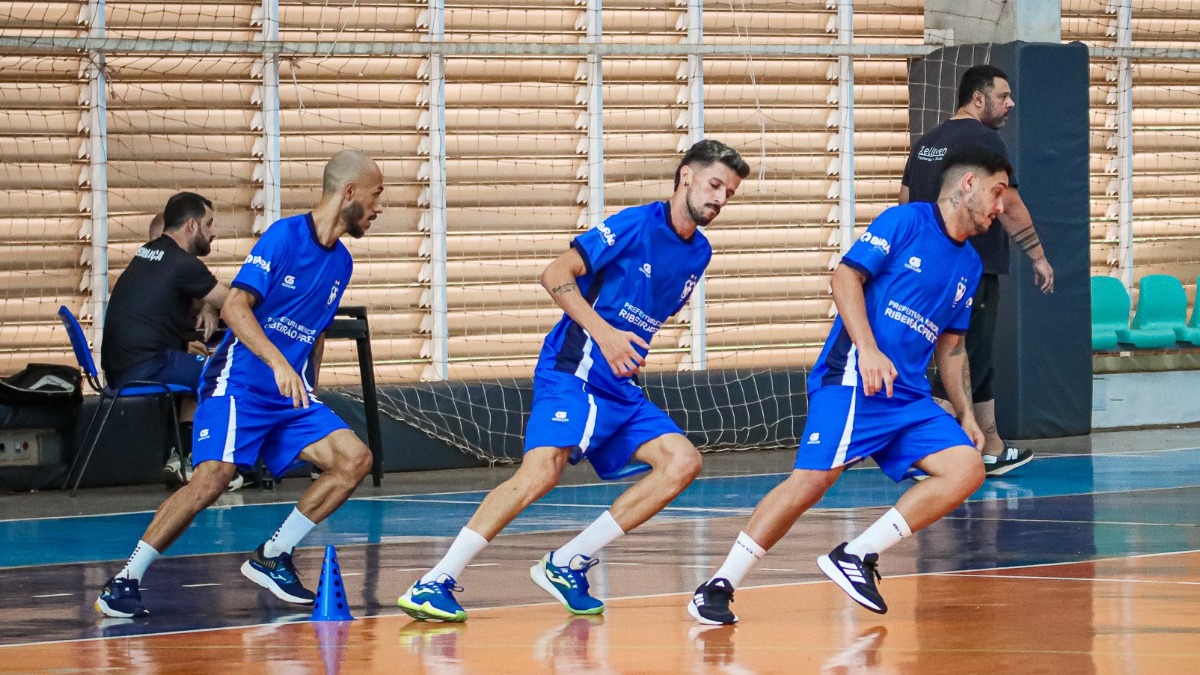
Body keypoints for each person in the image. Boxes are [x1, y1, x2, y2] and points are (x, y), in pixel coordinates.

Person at [396, 139, 750, 623]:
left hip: (618, 387)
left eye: (729, 193)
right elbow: (554, 272)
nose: (720, 199)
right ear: (685, 175)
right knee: (542, 471)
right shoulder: (634, 224)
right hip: (575, 369)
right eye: (715, 185)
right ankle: (433, 580)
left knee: (682, 462)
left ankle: (567, 562)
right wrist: (605, 336)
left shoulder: (699, 254)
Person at [688, 145, 1009, 625]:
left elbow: (952, 348)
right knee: (811, 482)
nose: (1001, 206)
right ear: (968, 185)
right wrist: (868, 349)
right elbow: (844, 277)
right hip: (853, 381)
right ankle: (718, 585)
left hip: (908, 398)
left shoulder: (968, 266)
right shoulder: (904, 223)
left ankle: (857, 555)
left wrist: (965, 412)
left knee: (966, 468)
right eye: (997, 192)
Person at [94, 150, 382, 618]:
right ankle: (123, 581)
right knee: (212, 480)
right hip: (241, 383)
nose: (378, 207)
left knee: (354, 460)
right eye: (376, 194)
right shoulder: (284, 237)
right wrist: (277, 363)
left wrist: (310, 381)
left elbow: (317, 328)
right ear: (348, 191)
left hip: (287, 395)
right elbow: (234, 307)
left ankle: (272, 556)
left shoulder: (342, 264)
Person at [900, 64, 1055, 477]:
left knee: (970, 358)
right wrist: (1038, 256)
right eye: (1003, 96)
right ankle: (933, 447)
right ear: (978, 99)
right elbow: (1012, 205)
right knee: (968, 357)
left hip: (923, 270)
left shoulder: (926, 143)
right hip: (972, 269)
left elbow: (904, 204)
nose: (1010, 104)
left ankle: (989, 444)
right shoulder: (985, 142)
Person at [102, 193, 228, 487]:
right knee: (225, 372)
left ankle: (181, 456)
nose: (213, 232)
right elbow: (232, 301)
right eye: (209, 224)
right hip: (147, 368)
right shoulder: (183, 264)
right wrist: (216, 302)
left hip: (121, 367)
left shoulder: (149, 252)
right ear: (192, 226)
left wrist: (209, 303)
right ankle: (221, 468)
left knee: (198, 367)